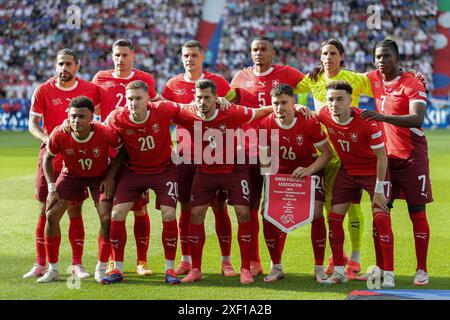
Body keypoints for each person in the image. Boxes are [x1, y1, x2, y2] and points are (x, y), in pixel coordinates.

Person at [174, 79, 274, 284]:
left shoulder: (232, 111)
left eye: (207, 98)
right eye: (199, 97)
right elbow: (162, 107)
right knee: (196, 213)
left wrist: (292, 105)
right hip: (206, 171)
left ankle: (245, 268)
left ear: (216, 99)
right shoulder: (187, 113)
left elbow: (260, 112)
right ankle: (196, 269)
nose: (202, 102)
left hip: (234, 169)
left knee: (243, 212)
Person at [294, 39, 374, 279]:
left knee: (354, 207)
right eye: (324, 53)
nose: (327, 57)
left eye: (332, 53)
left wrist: (408, 75)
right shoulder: (312, 79)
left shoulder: (355, 79)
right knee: (332, 211)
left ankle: (356, 260)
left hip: (351, 153)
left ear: (341, 57)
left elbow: (381, 86)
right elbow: (290, 91)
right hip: (325, 153)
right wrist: (300, 107)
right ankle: (338, 256)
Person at [162, 40, 237, 277]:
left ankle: (226, 261)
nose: (189, 58)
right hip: (185, 155)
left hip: (214, 155)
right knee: (185, 208)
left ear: (202, 58)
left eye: (194, 54)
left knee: (219, 207)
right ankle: (186, 260)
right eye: (186, 55)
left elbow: (233, 105)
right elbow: (167, 115)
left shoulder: (219, 82)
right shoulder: (173, 84)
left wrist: (225, 101)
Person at [230, 37, 305, 276]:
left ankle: (277, 261)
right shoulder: (240, 78)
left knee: (275, 208)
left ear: (273, 52)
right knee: (249, 207)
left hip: (278, 151)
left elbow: (318, 84)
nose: (258, 53)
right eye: (254, 49)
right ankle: (253, 260)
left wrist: (301, 106)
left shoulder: (288, 73)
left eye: (263, 49)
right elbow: (228, 102)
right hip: (249, 150)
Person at [24, 48, 100, 279]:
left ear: (77, 66)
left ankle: (77, 264)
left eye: (68, 64)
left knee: (75, 209)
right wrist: (48, 140)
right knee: (45, 208)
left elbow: (97, 119)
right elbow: (33, 124)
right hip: (50, 157)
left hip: (78, 159)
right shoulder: (43, 90)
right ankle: (40, 263)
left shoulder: (89, 90)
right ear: (55, 66)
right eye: (60, 64)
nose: (64, 68)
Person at [361, 39, 432, 286]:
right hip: (385, 158)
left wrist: (381, 116)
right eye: (378, 57)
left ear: (398, 58)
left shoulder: (412, 83)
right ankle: (380, 269)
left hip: (412, 156)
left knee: (416, 212)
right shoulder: (372, 78)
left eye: (386, 56)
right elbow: (346, 79)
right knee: (379, 211)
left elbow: (417, 118)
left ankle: (421, 269)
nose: (381, 61)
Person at [100, 80, 183, 285]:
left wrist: (219, 103)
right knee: (116, 214)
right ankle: (117, 269)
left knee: (169, 213)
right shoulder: (117, 117)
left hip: (164, 170)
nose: (133, 103)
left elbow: (190, 109)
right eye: (130, 99)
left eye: (138, 98)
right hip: (133, 172)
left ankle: (169, 269)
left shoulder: (162, 109)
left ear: (148, 99)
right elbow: (98, 132)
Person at [315, 80, 395, 287]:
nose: (334, 104)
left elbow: (382, 156)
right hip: (348, 171)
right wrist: (299, 108)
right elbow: (311, 116)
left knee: (382, 219)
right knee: (333, 219)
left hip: (372, 171)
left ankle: (388, 275)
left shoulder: (367, 121)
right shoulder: (324, 114)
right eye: (331, 99)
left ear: (351, 100)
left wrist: (378, 190)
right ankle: (340, 272)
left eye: (340, 99)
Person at [37, 96, 122, 283]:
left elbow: (122, 151)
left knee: (107, 219)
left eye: (82, 117)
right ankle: (52, 270)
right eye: (73, 116)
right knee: (51, 215)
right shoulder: (60, 133)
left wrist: (110, 177)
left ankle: (100, 268)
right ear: (68, 115)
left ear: (92, 117)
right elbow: (47, 158)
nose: (76, 121)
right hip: (72, 176)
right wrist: (52, 188)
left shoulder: (105, 131)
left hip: (99, 176)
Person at [92, 39, 157, 276]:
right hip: (108, 152)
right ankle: (111, 261)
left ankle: (142, 261)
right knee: (108, 212)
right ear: (112, 56)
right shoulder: (100, 77)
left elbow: (155, 104)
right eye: (116, 55)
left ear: (133, 56)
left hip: (134, 152)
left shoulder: (145, 79)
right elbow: (92, 107)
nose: (120, 60)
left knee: (140, 209)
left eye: (125, 55)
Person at [258, 84, 333, 283]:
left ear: (293, 102)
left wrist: (309, 170)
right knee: (267, 215)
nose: (280, 107)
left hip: (309, 173)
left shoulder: (308, 122)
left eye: (284, 102)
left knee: (317, 214)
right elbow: (265, 155)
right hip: (280, 175)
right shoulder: (266, 123)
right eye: (276, 103)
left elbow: (327, 153)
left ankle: (319, 268)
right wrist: (269, 179)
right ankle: (276, 267)